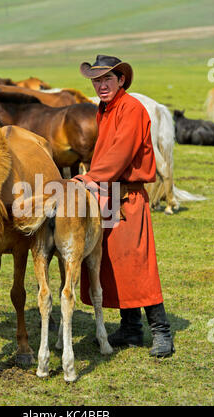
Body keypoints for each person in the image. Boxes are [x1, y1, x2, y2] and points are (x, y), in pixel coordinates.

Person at [73, 54, 175, 357]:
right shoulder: (105, 109)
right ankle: (131, 328)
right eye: (97, 79)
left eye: (107, 79)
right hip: (108, 194)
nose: (101, 84)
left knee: (137, 263)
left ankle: (162, 331)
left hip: (128, 196)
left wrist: (88, 178)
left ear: (121, 80)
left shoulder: (130, 109)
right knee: (113, 263)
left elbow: (120, 153)